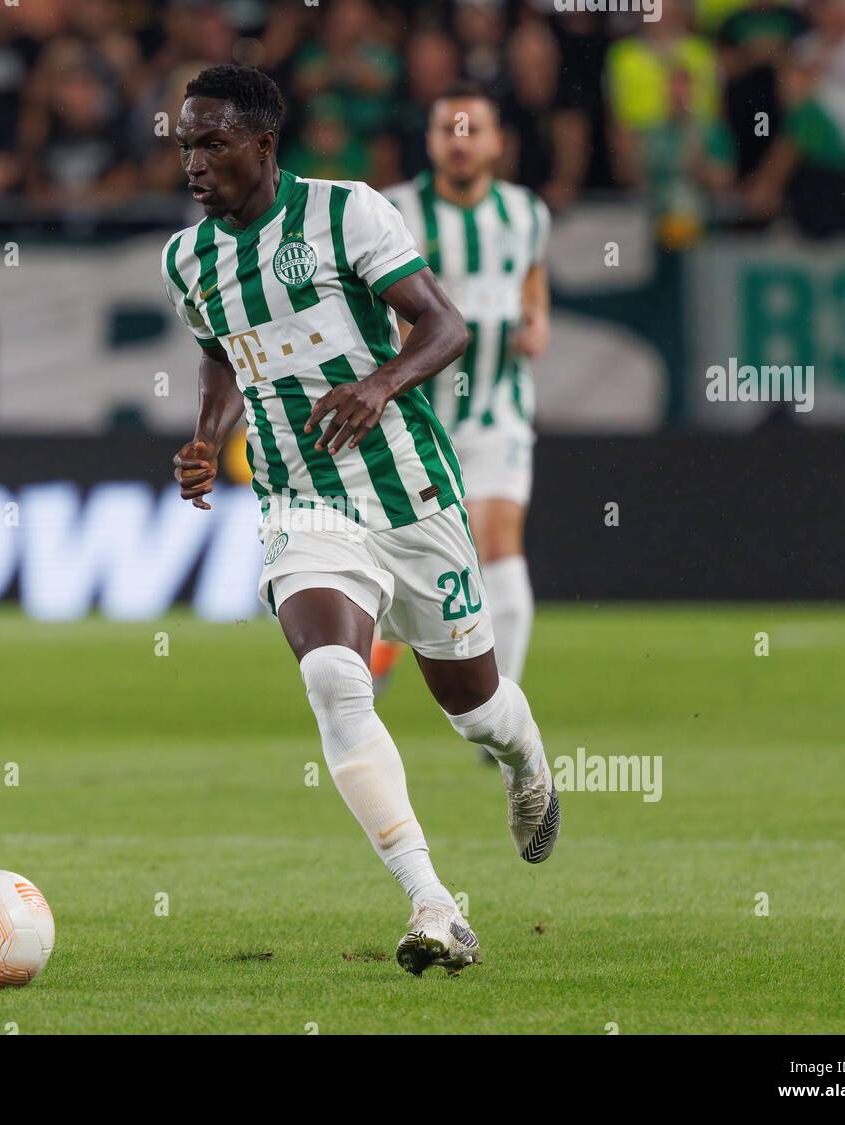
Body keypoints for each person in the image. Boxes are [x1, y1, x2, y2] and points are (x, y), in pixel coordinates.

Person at [161, 64, 560, 976]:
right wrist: (204, 437)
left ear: (263, 145)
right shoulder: (187, 260)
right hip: (301, 500)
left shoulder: (349, 214)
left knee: (475, 706)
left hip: (410, 489)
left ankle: (527, 758)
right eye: (185, 144)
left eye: (212, 142)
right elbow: (222, 355)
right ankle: (433, 902)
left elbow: (443, 325)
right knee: (337, 678)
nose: (194, 162)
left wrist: (378, 385)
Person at [372, 83, 550, 700]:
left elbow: (531, 271)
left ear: (499, 143)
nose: (461, 142)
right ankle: (386, 646)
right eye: (449, 129)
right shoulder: (392, 213)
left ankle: (501, 709)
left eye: (474, 129)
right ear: (430, 142)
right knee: (414, 553)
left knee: (497, 542)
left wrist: (537, 316)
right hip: (413, 416)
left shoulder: (526, 213)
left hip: (497, 409)